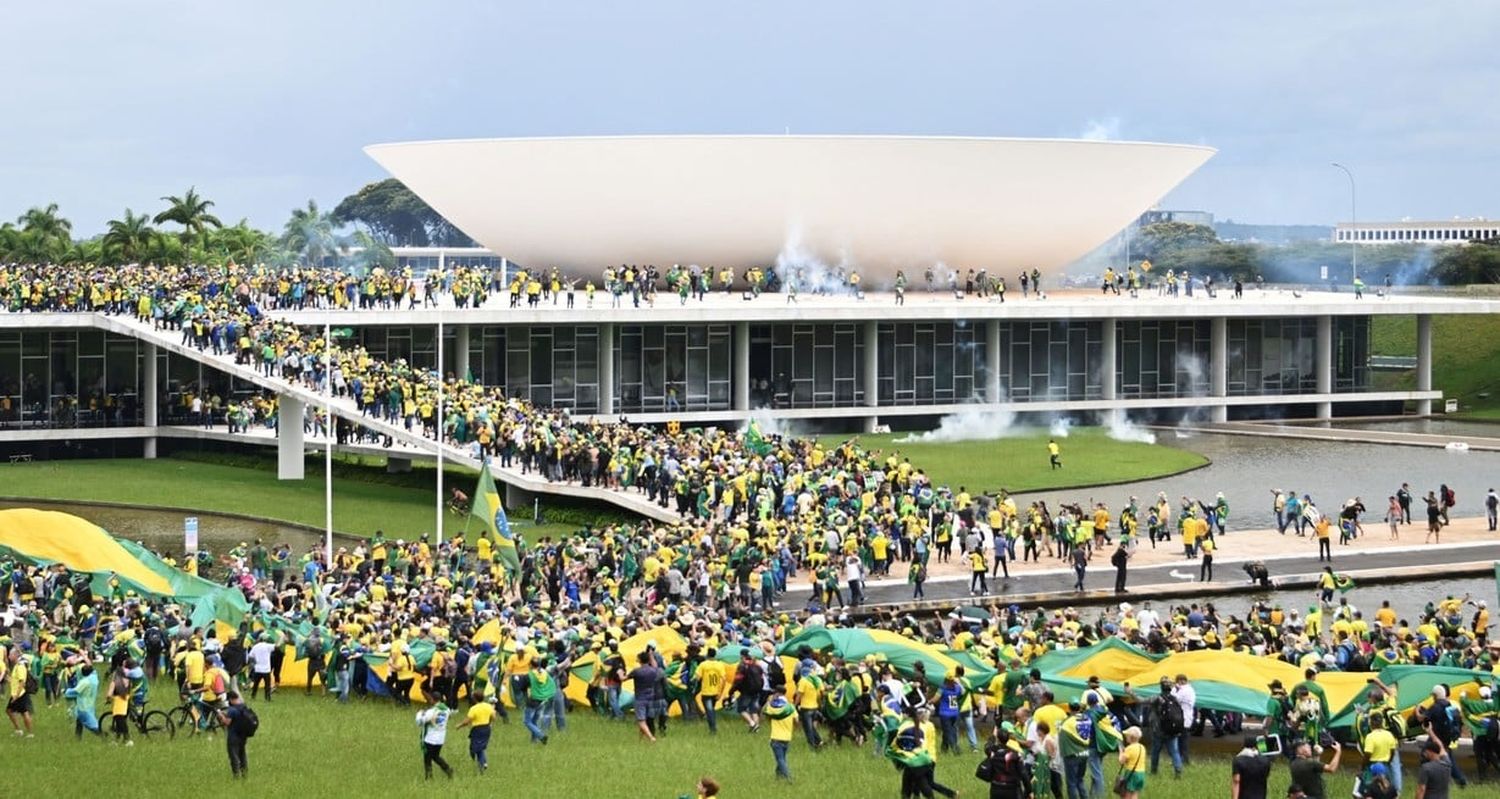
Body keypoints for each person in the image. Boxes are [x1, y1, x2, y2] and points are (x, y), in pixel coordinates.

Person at [975, 729, 1029, 799]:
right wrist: (1028, 791)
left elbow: (987, 746)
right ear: (1008, 739)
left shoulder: (993, 752)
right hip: (1012, 789)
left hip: (996, 788)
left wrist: (993, 736)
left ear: (998, 739)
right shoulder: (1015, 754)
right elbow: (1023, 774)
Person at [215, 692, 255, 779]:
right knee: (242, 755)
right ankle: (245, 774)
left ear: (231, 700)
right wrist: (226, 714)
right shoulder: (243, 706)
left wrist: (221, 716)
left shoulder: (232, 710)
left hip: (233, 737)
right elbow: (236, 718)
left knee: (234, 756)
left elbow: (227, 723)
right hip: (243, 736)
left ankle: (236, 775)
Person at [455, 696, 496, 773]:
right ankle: (482, 762)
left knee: (475, 748)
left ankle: (483, 763)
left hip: (477, 729)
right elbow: (493, 717)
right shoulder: (488, 706)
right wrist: (489, 722)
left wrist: (459, 726)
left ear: (474, 699)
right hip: (487, 728)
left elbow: (467, 721)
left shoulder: (473, 709)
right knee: (481, 746)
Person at [415, 701, 455, 779]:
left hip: (430, 738)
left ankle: (429, 777)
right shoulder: (446, 709)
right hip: (440, 739)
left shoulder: (432, 711)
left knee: (427, 758)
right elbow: (449, 717)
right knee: (435, 756)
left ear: (432, 699)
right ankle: (448, 769)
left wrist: (419, 713)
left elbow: (419, 722)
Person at [765, 693, 798, 780]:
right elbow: (796, 720)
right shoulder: (790, 708)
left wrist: (770, 700)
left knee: (780, 759)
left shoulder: (772, 709)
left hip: (776, 738)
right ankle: (778, 776)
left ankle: (788, 777)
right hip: (787, 738)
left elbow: (765, 712)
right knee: (782, 758)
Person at [1117, 726, 1147, 799]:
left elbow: (1121, 761)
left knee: (1126, 794)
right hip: (1141, 773)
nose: (1126, 737)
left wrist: (1121, 751)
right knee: (1135, 793)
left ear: (1130, 737)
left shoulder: (1129, 749)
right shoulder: (1142, 747)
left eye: (1127, 736)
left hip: (1132, 774)